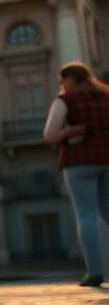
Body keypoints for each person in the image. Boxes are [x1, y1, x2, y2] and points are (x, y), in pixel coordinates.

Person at [43, 61, 109, 287]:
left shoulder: (65, 101)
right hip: (107, 160)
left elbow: (50, 134)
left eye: (63, 80)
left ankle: (95, 271)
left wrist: (67, 132)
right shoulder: (107, 96)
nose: (61, 84)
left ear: (72, 79)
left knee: (86, 215)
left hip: (79, 162)